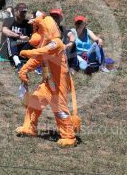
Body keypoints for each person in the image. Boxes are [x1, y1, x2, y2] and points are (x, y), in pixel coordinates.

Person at [16, 15, 81, 148]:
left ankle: (69, 136)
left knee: (60, 110)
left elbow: (42, 53)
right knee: (34, 103)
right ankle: (30, 128)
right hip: (48, 83)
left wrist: (27, 52)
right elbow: (37, 60)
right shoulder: (46, 43)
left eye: (39, 30)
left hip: (59, 85)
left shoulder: (56, 43)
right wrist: (23, 70)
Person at [0, 3, 33, 71]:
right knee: (10, 38)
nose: (23, 14)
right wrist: (19, 37)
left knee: (33, 41)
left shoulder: (27, 23)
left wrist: (34, 23)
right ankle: (18, 63)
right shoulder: (9, 20)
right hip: (7, 48)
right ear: (16, 11)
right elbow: (5, 30)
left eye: (24, 12)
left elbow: (32, 36)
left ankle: (37, 63)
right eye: (21, 12)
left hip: (21, 46)